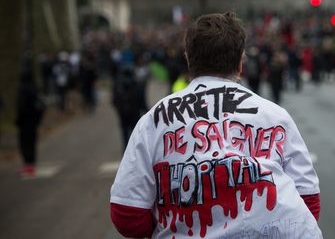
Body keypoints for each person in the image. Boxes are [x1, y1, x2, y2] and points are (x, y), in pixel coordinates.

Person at [110, 12, 322, 239]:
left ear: (189, 59)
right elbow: (308, 201)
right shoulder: (276, 116)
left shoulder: (155, 120)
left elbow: (128, 215)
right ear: (241, 62)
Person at [16, 67, 45, 177]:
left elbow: (21, 107)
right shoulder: (35, 88)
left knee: (25, 143)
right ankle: (31, 165)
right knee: (32, 143)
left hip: (25, 121)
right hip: (33, 121)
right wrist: (38, 119)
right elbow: (40, 105)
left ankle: (27, 165)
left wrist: (19, 120)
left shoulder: (22, 89)